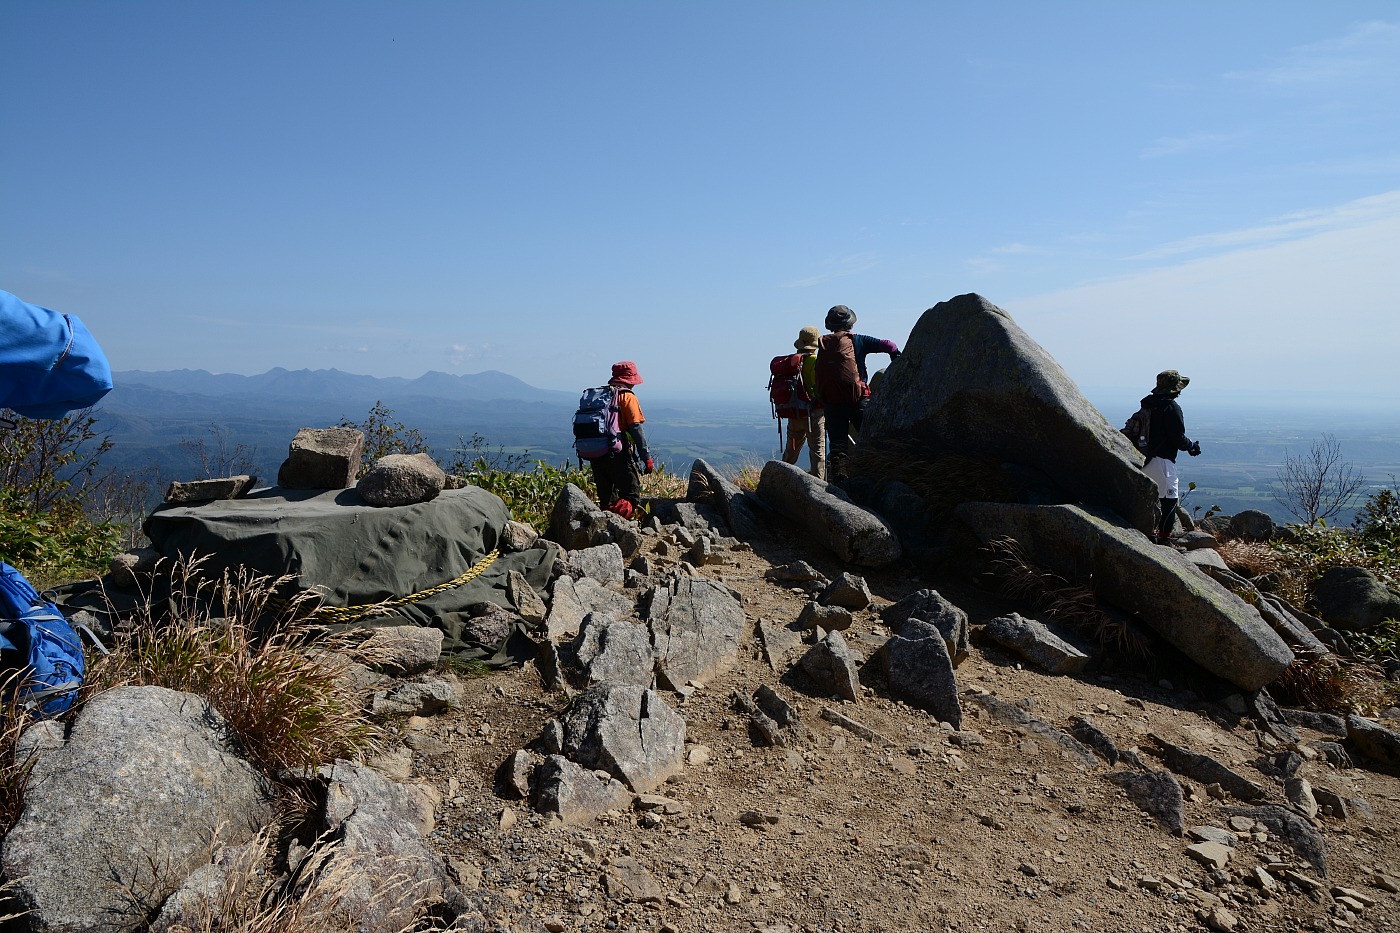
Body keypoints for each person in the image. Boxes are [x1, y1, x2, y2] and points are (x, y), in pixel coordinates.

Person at [815, 305, 900, 484]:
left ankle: (840, 480)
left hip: (832, 401)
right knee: (870, 438)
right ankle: (877, 476)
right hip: (858, 398)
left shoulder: (824, 343)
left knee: (838, 446)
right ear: (850, 324)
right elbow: (889, 345)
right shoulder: (858, 340)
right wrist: (895, 358)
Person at [1140, 369, 1201, 544]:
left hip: (1143, 456)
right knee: (1169, 501)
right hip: (1162, 460)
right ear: (1175, 389)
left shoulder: (1147, 404)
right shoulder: (1171, 408)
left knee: (1152, 499)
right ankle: (1164, 540)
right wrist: (1191, 446)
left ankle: (1149, 533)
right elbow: (1178, 438)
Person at [592, 361, 654, 519]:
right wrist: (646, 457)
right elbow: (636, 429)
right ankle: (618, 530)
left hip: (595, 452)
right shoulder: (627, 397)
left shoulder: (600, 395)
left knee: (606, 497)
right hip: (617, 454)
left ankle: (602, 529)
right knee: (631, 495)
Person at [780, 326, 826, 479]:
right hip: (814, 415)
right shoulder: (815, 361)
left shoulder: (792, 361)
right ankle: (819, 489)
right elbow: (818, 389)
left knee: (791, 451)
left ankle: (780, 478)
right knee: (817, 453)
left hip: (794, 413)